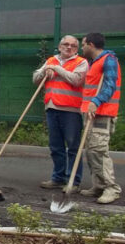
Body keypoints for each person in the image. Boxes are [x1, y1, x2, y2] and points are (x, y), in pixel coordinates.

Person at [33, 35, 88, 191]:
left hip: (71, 110)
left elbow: (76, 80)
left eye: (73, 46)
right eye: (65, 44)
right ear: (59, 46)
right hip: (52, 108)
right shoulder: (50, 61)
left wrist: (57, 69)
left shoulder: (81, 62)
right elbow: (35, 78)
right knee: (55, 146)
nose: (69, 47)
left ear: (77, 49)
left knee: (72, 147)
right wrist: (44, 71)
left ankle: (73, 182)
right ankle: (58, 178)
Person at [79, 32, 121, 204]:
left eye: (83, 44)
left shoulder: (108, 59)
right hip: (90, 112)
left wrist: (96, 101)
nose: (82, 48)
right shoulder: (94, 62)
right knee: (91, 151)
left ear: (90, 44)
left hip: (102, 112)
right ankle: (99, 185)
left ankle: (112, 188)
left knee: (99, 151)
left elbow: (110, 84)